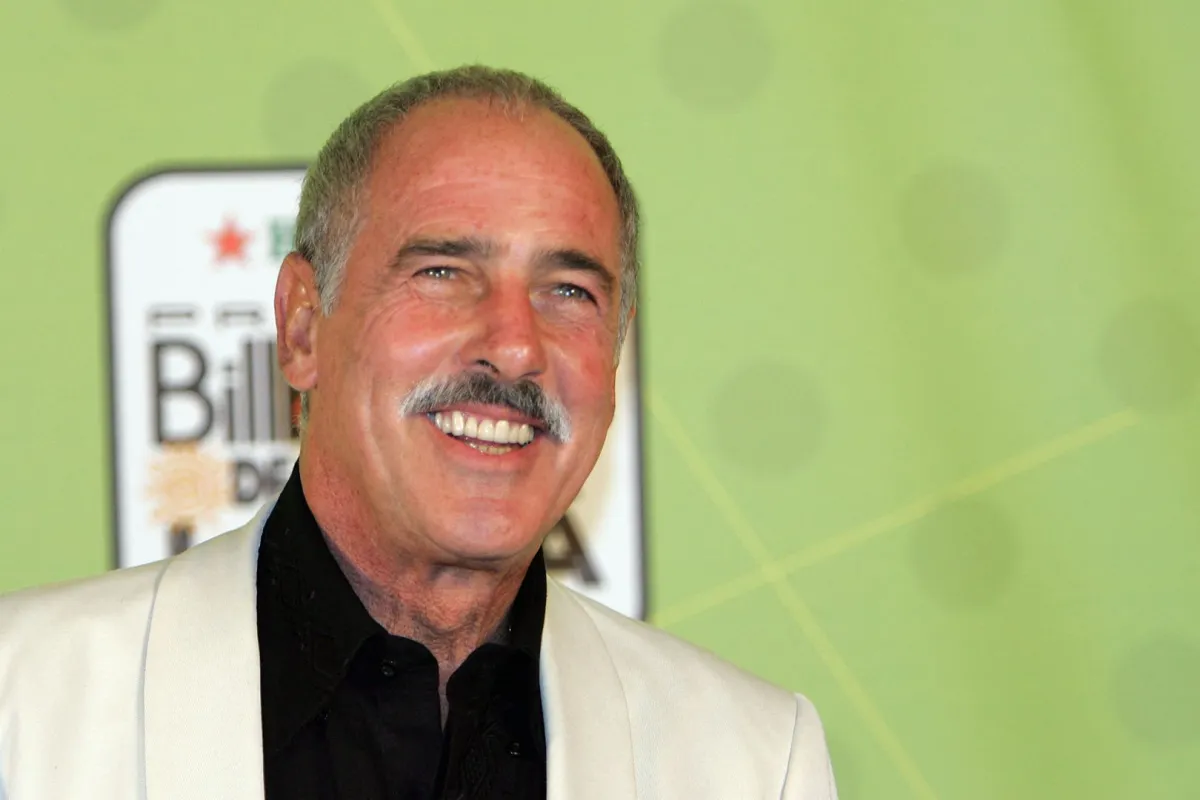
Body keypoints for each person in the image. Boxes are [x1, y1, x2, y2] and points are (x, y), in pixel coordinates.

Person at [0, 66, 837, 799]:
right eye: (442, 272)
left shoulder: (754, 763)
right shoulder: (23, 704)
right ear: (300, 328)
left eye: (569, 290)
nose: (514, 346)